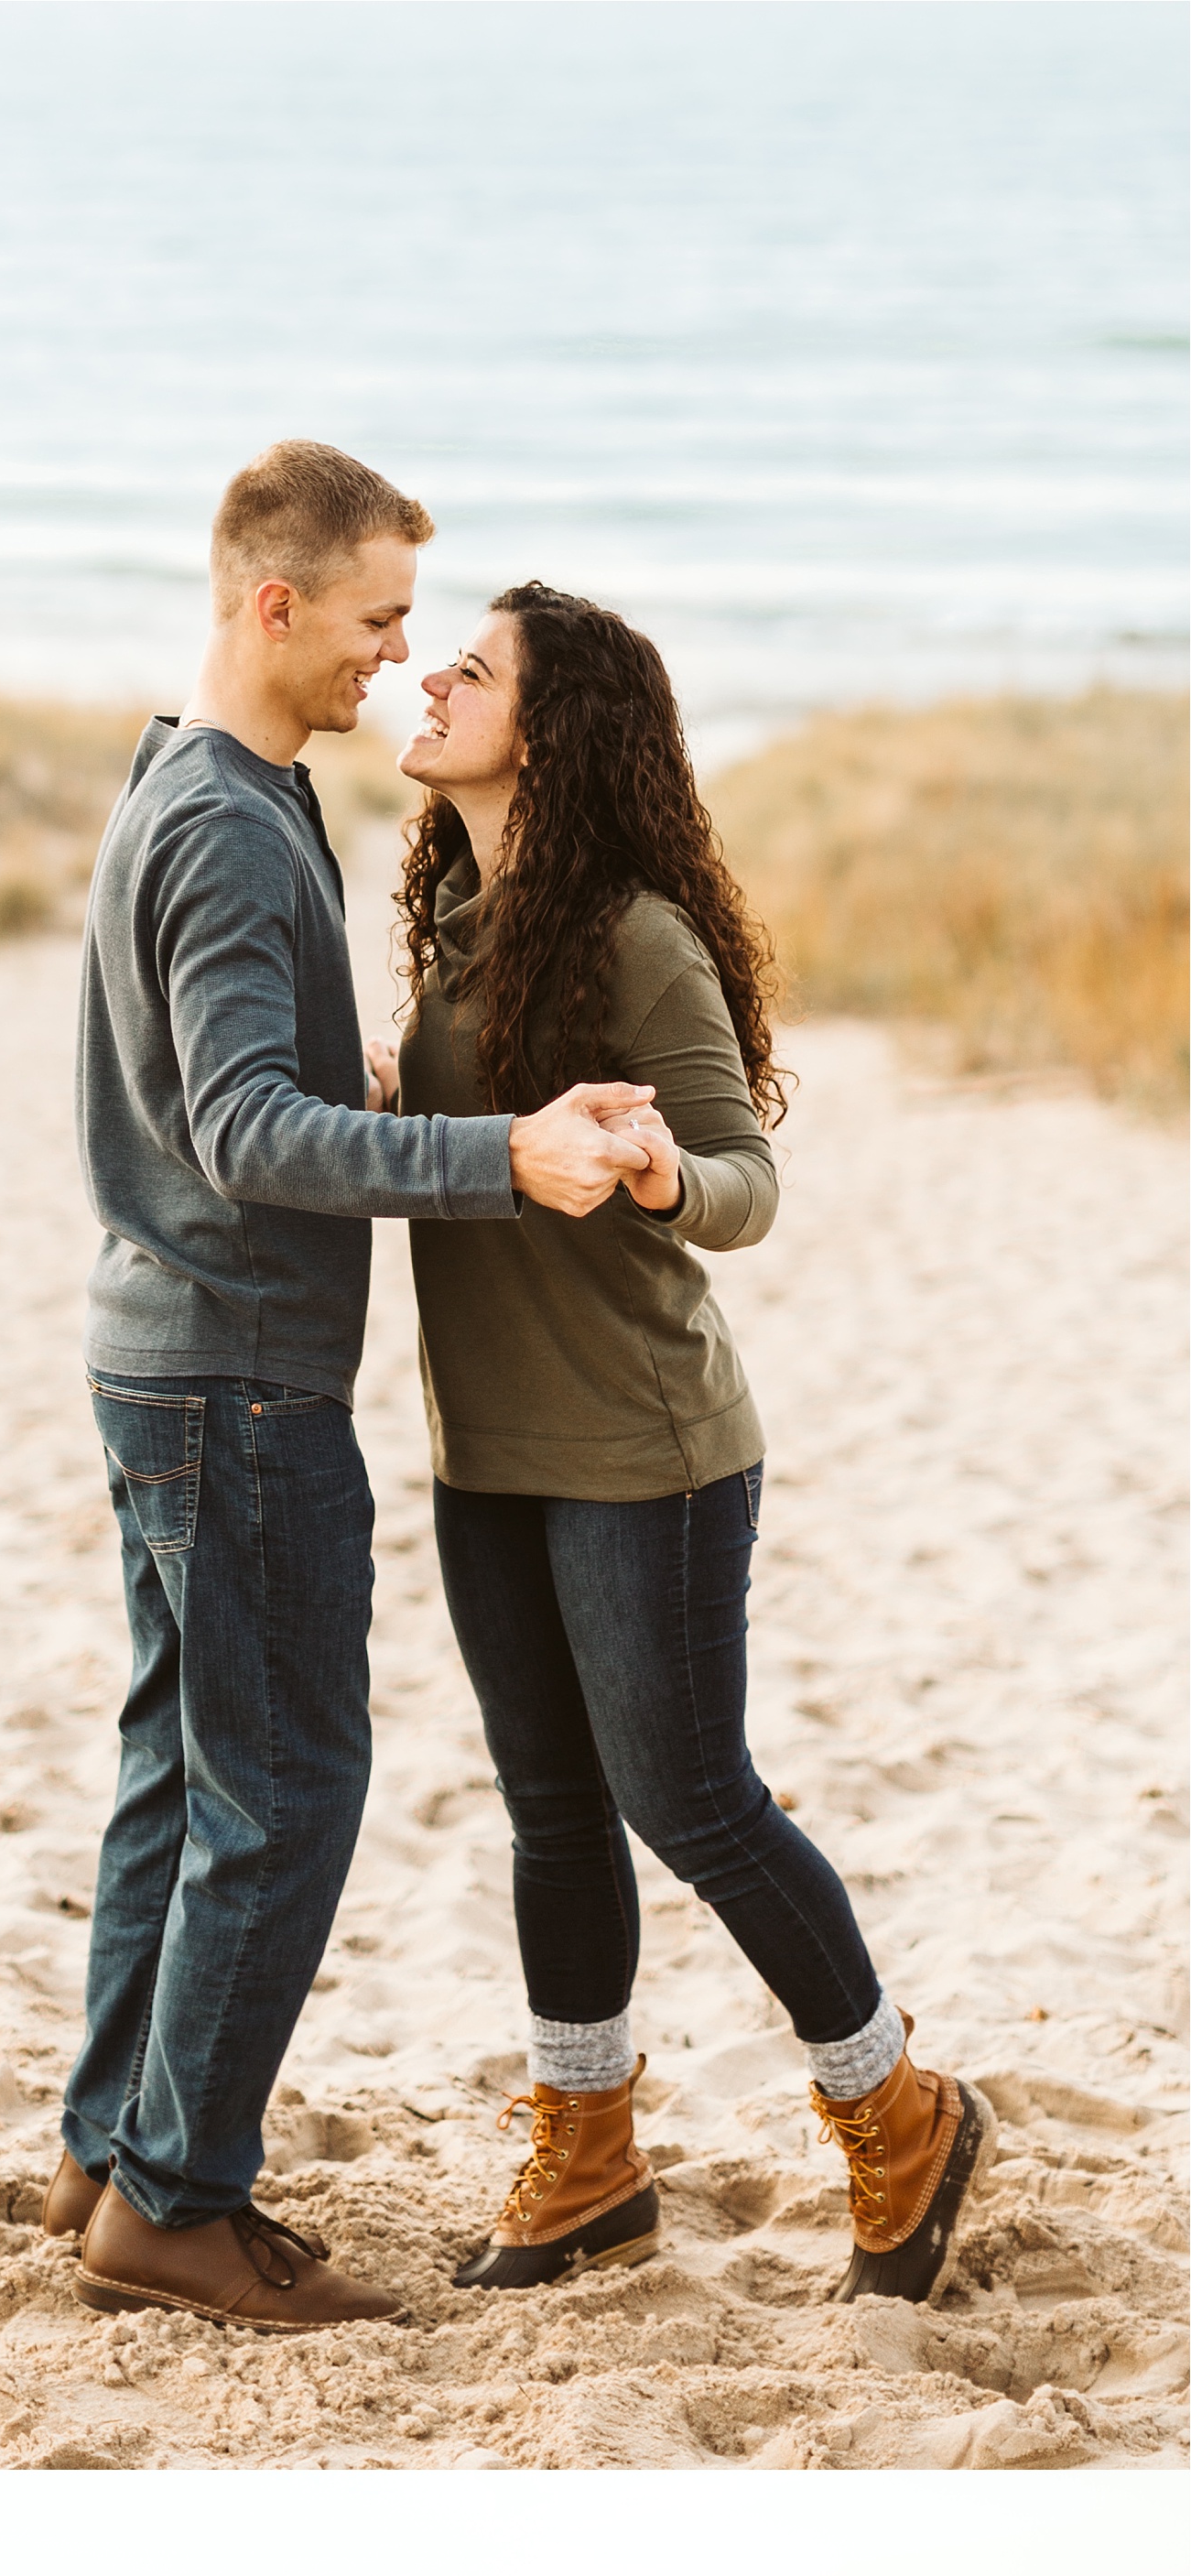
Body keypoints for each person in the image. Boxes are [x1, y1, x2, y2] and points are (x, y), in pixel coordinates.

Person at [42, 443, 655, 2339]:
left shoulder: (201, 773)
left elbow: (229, 1073)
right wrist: (496, 1150)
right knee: (291, 1787)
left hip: (168, 1354)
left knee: (184, 1766)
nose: (402, 658)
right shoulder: (229, 822)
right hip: (233, 1380)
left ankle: (107, 2152)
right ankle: (176, 2205)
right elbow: (236, 1127)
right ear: (274, 603)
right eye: (382, 618)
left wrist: (356, 1077)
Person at [392, 585, 994, 2304]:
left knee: (692, 1799)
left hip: (647, 1450)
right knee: (551, 1809)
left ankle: (899, 2108)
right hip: (485, 1443)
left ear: (553, 729)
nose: (433, 677)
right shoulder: (450, 908)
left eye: (475, 668)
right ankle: (589, 2157)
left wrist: (660, 1173)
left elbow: (747, 1181)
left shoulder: (636, 934)